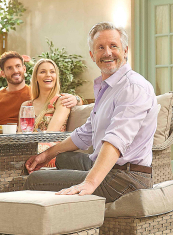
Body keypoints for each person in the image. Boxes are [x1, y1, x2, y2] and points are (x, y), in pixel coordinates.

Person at [24, 22, 157, 203]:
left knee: (34, 180)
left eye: (113, 46)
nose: (107, 53)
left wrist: (89, 183)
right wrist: (47, 155)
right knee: (62, 159)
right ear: (92, 55)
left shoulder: (132, 87)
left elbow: (116, 140)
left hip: (125, 179)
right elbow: (87, 132)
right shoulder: (108, 87)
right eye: (100, 47)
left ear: (125, 50)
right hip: (112, 168)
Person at [0, 51, 81, 125]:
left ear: (24, 69)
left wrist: (76, 99)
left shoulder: (38, 93)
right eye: (9, 68)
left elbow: (58, 99)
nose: (15, 71)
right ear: (2, 73)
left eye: (18, 66)